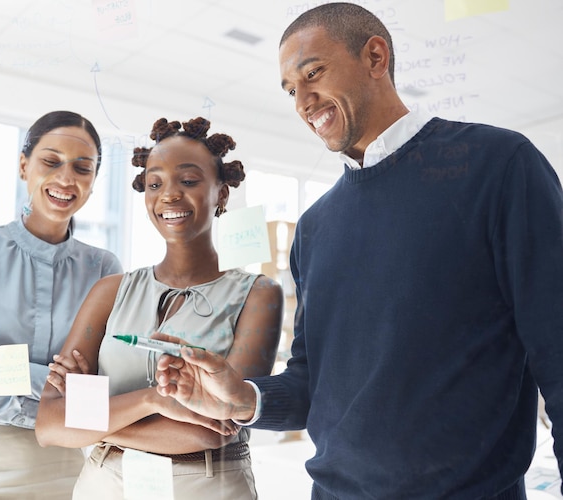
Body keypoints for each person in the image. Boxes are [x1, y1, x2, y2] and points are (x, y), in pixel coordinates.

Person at [154, 3, 563, 499]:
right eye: (290, 90)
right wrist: (243, 397)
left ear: (375, 56)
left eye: (314, 73)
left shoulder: (497, 166)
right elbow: (310, 380)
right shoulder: (315, 227)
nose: (303, 101)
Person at [35, 116, 283, 500]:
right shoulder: (110, 291)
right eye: (155, 183)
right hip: (105, 482)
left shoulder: (259, 294)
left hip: (205, 485)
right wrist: (153, 400)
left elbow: (210, 428)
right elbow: (49, 425)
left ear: (222, 193)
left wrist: (88, 418)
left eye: (188, 181)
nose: (168, 195)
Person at [0, 110, 123, 499]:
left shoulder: (104, 269)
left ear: (93, 182)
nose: (66, 178)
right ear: (24, 166)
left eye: (82, 168)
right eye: (51, 161)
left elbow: (101, 389)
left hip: (62, 459)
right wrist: (58, 387)